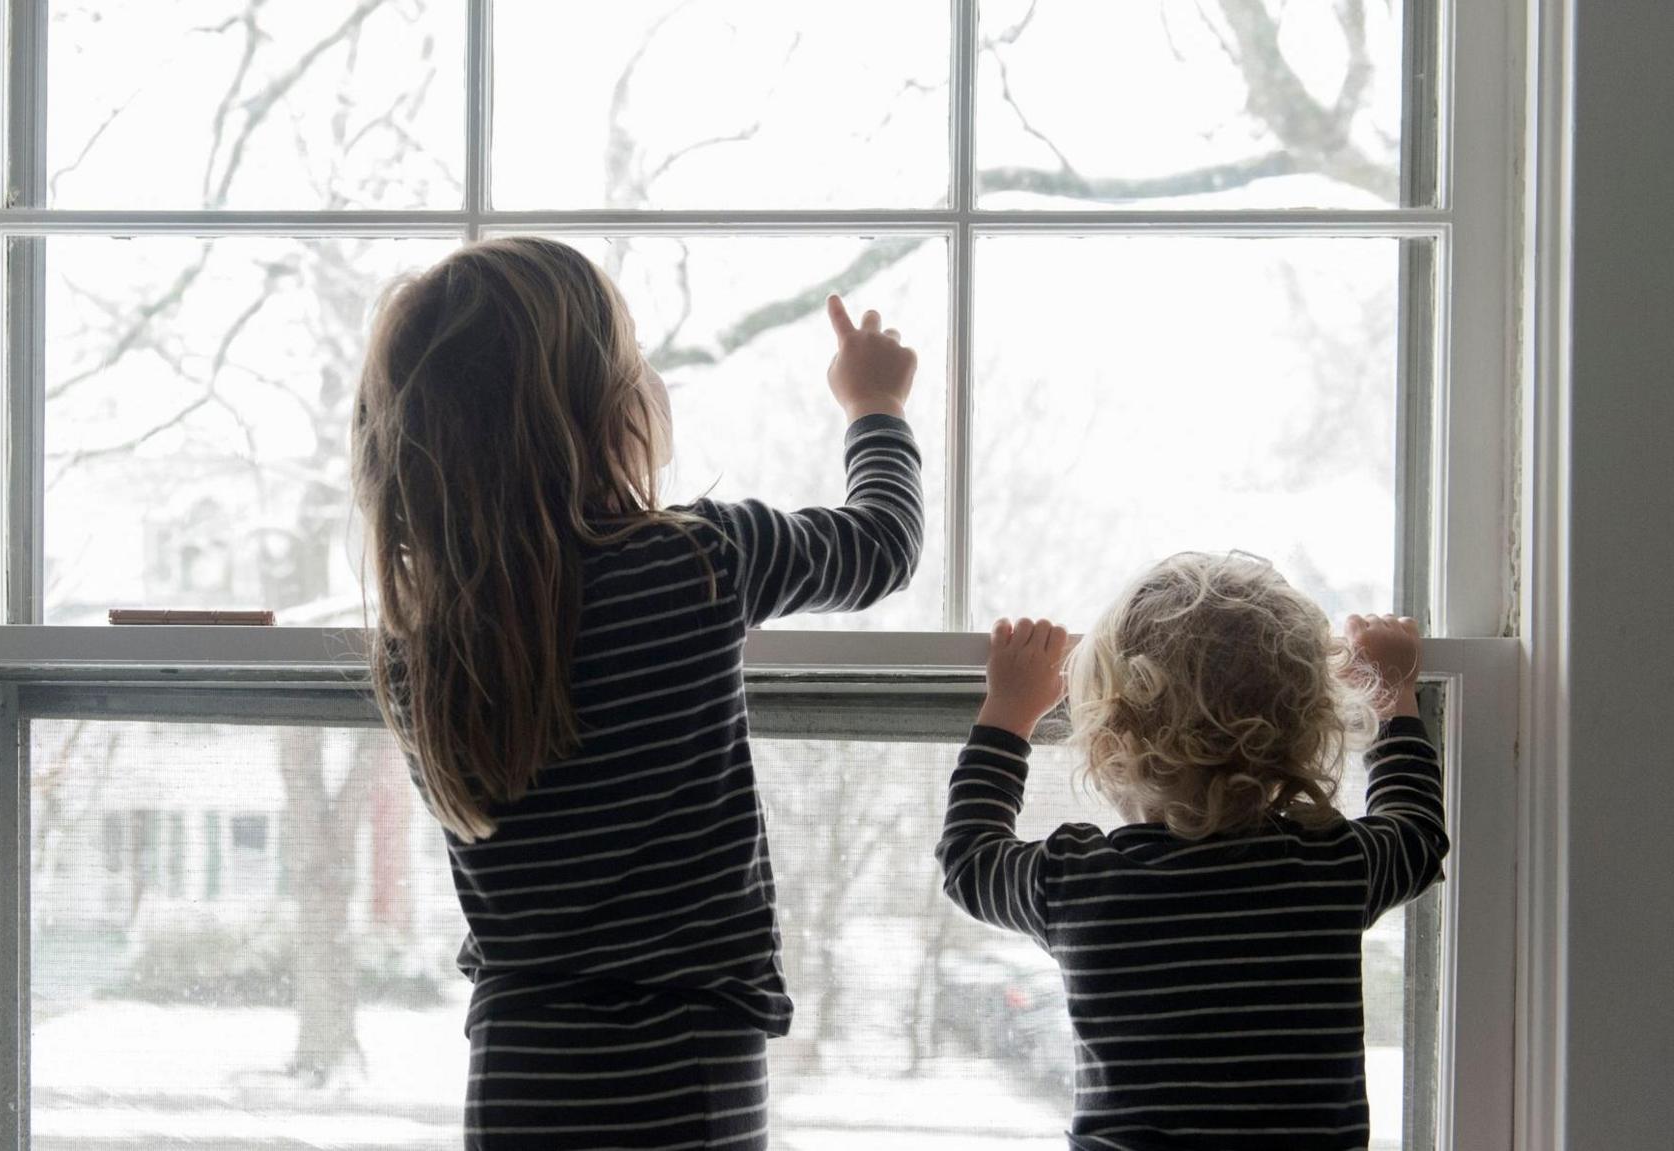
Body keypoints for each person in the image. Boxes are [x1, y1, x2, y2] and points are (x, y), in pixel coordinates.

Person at [352, 236, 924, 1149]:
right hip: (685, 1052)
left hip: (516, 1064)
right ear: (601, 408)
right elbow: (882, 545)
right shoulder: (697, 558)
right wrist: (875, 406)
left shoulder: (421, 644)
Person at [937, 552, 1448, 1150]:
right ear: (1306, 727)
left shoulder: (1081, 881)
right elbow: (1417, 833)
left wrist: (1008, 712)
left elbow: (969, 858)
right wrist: (1394, 696)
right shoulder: (1327, 866)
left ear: (1107, 740)